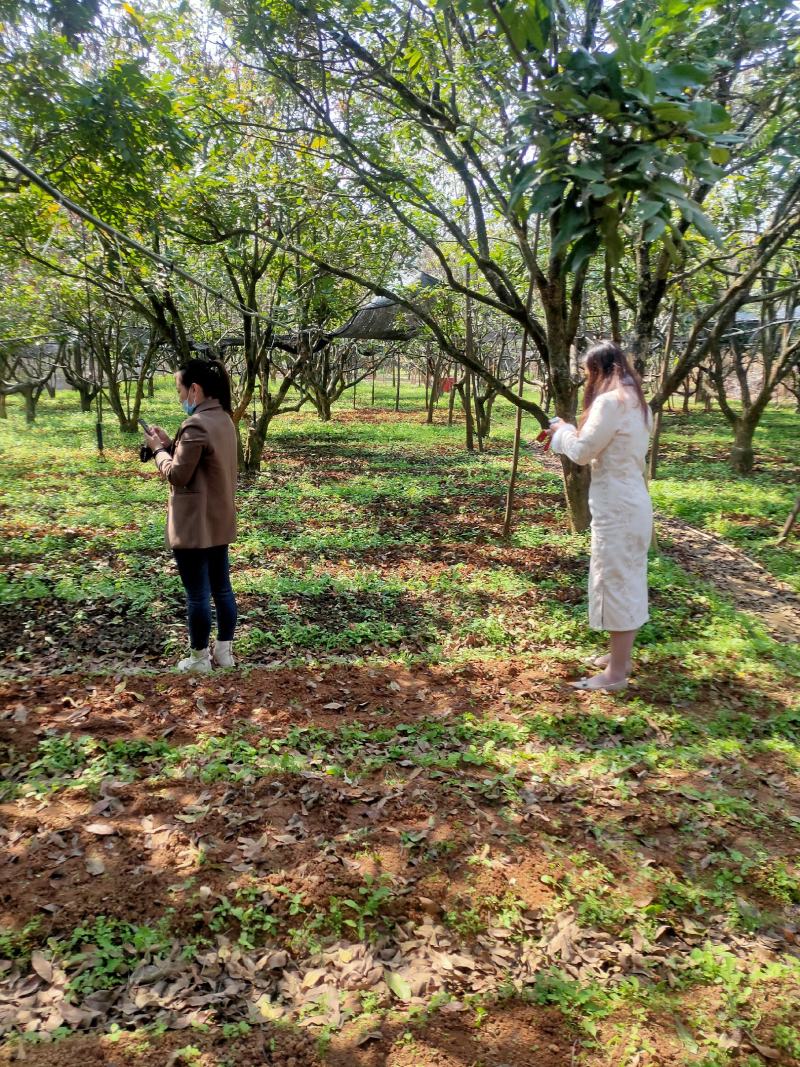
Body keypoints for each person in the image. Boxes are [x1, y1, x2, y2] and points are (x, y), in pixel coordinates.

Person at [545, 341, 653, 692]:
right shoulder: (637, 403)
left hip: (616, 507)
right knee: (629, 579)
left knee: (615, 583)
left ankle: (615, 675)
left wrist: (561, 432)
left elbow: (581, 451)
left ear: (597, 370)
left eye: (587, 373)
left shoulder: (610, 402)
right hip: (635, 501)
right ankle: (619, 657)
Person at [144, 359, 238, 674]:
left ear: (194, 389)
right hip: (218, 518)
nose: (179, 396)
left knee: (197, 593)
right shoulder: (224, 419)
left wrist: (159, 451)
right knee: (222, 588)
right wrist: (171, 444)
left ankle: (199, 659)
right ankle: (223, 653)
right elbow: (199, 459)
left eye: (179, 389)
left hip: (194, 525)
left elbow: (178, 475)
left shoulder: (196, 423)